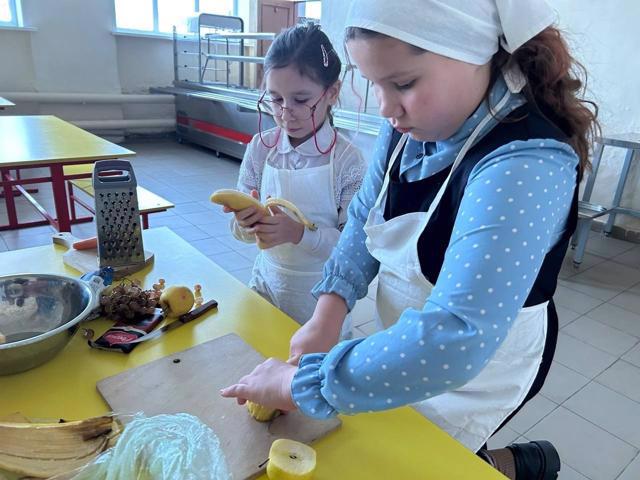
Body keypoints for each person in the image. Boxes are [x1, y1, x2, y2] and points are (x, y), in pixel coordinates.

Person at [222, 1, 599, 478]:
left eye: (402, 84)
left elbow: (457, 335)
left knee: (424, 459)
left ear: (474, 52)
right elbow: (363, 216)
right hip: (413, 336)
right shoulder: (408, 125)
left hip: (479, 365)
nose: (385, 107)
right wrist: (329, 310)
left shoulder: (526, 164)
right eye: (373, 83)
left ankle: (515, 466)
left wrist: (302, 385)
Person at [223, 23, 365, 335]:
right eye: (275, 99)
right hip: (266, 286)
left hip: (320, 299)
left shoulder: (346, 161)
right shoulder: (261, 148)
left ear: (332, 93)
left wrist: (299, 233)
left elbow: (353, 248)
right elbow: (239, 231)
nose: (287, 112)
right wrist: (245, 224)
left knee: (309, 376)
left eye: (301, 100)